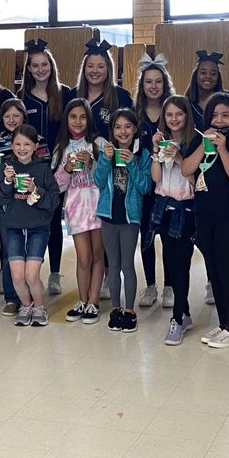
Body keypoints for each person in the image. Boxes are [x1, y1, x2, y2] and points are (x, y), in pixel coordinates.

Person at [185, 91, 229, 348]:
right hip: (204, 215)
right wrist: (204, 145)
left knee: (227, 271)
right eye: (215, 115)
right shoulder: (198, 141)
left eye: (225, 115)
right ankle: (224, 324)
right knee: (213, 271)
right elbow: (186, 169)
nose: (220, 120)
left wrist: (222, 149)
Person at [0, 125, 62, 328]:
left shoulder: (42, 169)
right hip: (13, 228)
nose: (22, 148)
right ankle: (25, 305)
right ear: (12, 146)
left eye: (27, 144)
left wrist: (35, 190)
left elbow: (54, 200)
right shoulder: (7, 167)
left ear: (35, 146)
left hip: (38, 228)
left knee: (31, 275)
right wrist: (7, 181)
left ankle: (39, 307)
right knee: (17, 276)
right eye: (17, 144)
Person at [94, 108, 153, 333]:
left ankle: (129, 310)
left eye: (128, 126)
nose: (123, 131)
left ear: (135, 129)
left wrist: (131, 164)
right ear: (112, 130)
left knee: (127, 265)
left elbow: (145, 187)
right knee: (113, 265)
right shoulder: (106, 152)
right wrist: (105, 160)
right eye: (118, 127)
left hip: (130, 219)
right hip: (108, 217)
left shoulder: (143, 155)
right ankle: (116, 309)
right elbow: (98, 182)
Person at [20, 38, 70, 295]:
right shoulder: (22, 97)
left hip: (58, 168)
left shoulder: (65, 94)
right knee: (30, 220)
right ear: (29, 69)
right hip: (30, 168)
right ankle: (28, 272)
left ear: (51, 66)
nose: (40, 70)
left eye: (44, 64)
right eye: (35, 65)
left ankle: (54, 273)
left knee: (53, 220)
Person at [148, 95, 198, 345]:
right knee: (170, 261)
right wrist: (156, 151)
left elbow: (196, 181)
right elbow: (156, 178)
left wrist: (179, 157)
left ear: (187, 116)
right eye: (169, 114)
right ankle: (184, 313)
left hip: (186, 210)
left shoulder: (195, 142)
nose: (174, 119)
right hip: (164, 208)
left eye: (179, 114)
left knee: (182, 263)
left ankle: (177, 318)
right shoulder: (162, 141)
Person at [54, 98, 104, 324]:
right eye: (73, 116)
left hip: (99, 207)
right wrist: (66, 168)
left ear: (89, 119)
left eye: (83, 117)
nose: (77, 121)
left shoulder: (99, 143)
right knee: (83, 258)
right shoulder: (61, 147)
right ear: (66, 119)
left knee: (97, 254)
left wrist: (93, 163)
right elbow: (57, 186)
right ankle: (82, 300)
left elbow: (107, 176)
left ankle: (93, 301)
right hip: (75, 209)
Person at [133, 53, 174, 308]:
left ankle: (169, 286)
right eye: (149, 81)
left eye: (158, 81)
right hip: (143, 186)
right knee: (146, 237)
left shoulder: (173, 113)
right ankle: (150, 286)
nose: (154, 86)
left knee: (169, 237)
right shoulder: (134, 115)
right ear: (142, 85)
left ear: (165, 83)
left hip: (168, 185)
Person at [0, 98, 30, 313]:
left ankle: (30, 292)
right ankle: (12, 297)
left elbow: (45, 170)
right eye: (7, 116)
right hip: (5, 207)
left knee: (31, 251)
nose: (12, 120)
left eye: (16, 115)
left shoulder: (37, 140)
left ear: (24, 117)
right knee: (10, 251)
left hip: (30, 205)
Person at [76, 38, 132, 140]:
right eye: (90, 66)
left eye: (100, 67)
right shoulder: (72, 95)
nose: (95, 71)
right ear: (84, 69)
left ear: (108, 69)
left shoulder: (121, 96)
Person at [185, 50, 226, 130]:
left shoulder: (228, 101)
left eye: (213, 74)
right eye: (203, 73)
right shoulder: (185, 104)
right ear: (196, 75)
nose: (208, 76)